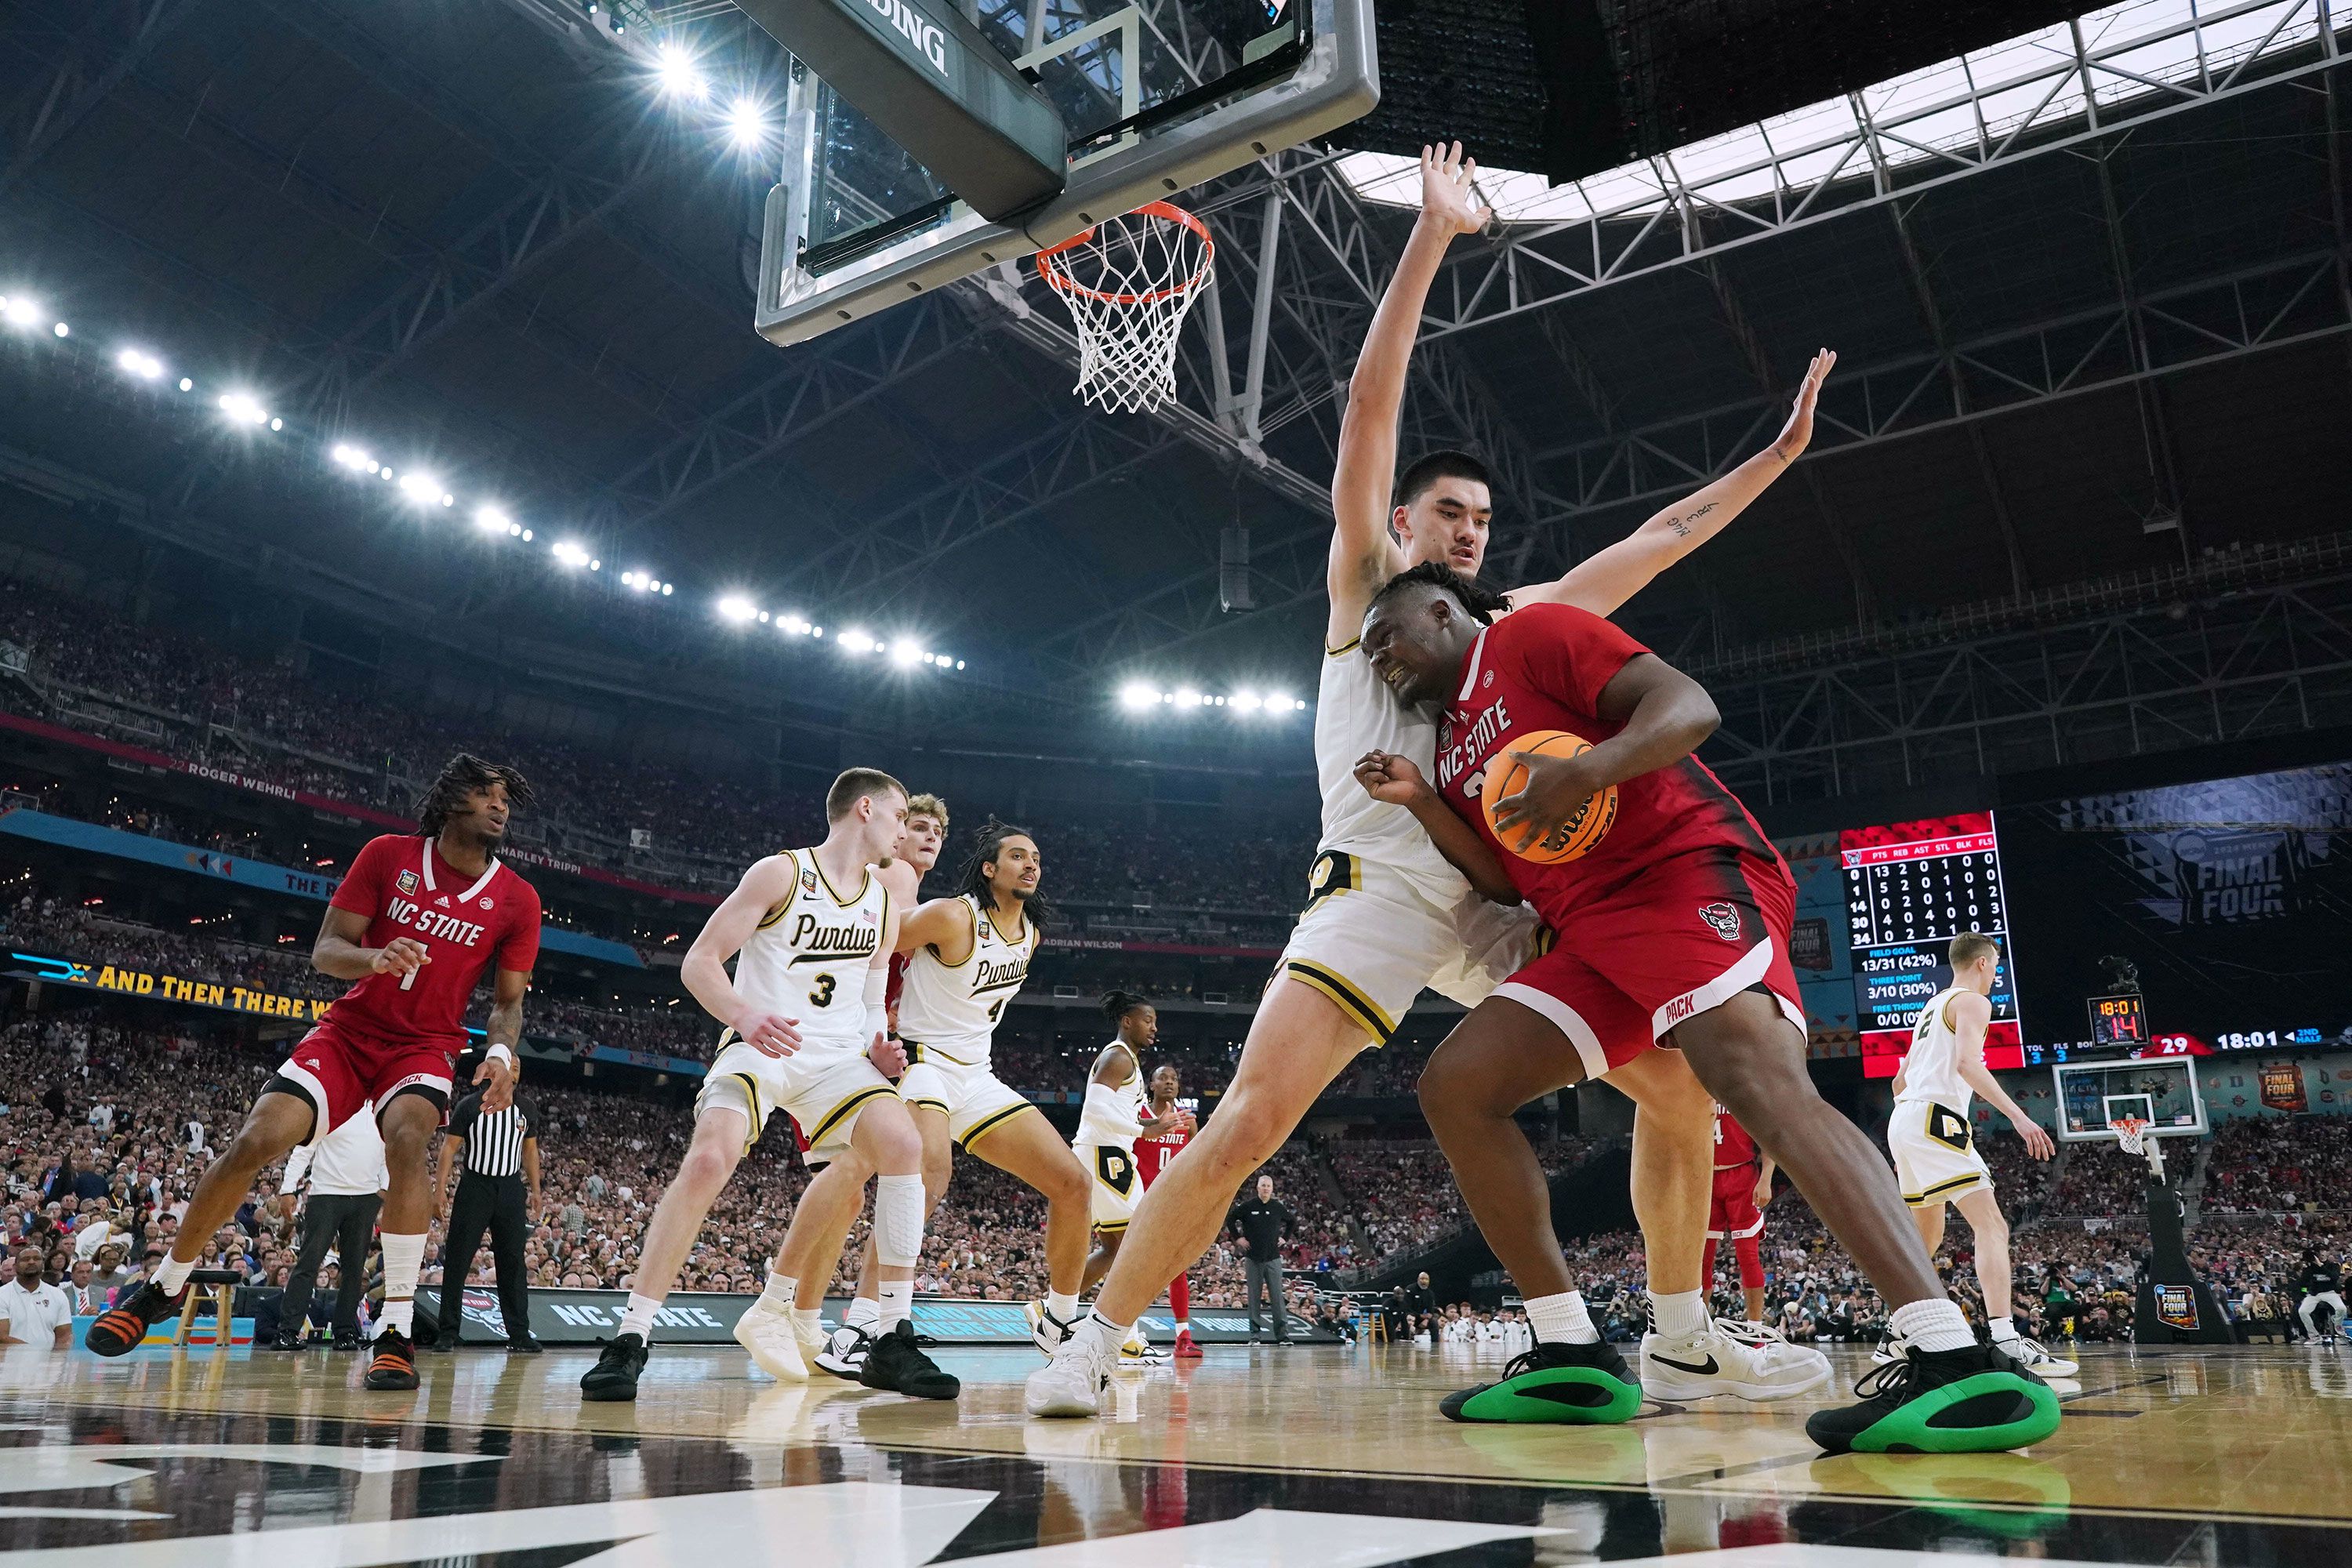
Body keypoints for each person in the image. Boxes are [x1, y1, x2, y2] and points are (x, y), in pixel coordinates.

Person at [1025, 143, 1827, 1422]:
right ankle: (1092, 1338)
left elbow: (1655, 541)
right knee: (1249, 1123)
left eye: (1483, 520)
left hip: (1502, 909)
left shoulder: (1513, 625)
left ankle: (1680, 1340)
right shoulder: (1364, 598)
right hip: (1379, 893)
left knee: (1680, 1092)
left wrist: (1778, 459)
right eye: (1448, 511)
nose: (1469, 530)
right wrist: (1431, 241)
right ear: (1403, 527)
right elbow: (1366, 413)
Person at [1341, 565, 2062, 1454]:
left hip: (1685, 873)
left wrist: (1591, 769)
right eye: (1370, 653)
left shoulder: (1531, 638)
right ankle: (1571, 1346)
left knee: (1754, 1079)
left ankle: (1956, 1356)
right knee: (1458, 1085)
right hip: (1591, 930)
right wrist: (1421, 800)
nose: (1381, 661)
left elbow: (1687, 706)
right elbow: (1502, 877)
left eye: (1389, 639)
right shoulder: (1452, 749)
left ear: (1444, 612)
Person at [85, 754, 543, 1395]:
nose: (500, 806)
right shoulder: (388, 856)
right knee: (255, 1141)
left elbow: (508, 1002)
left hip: (424, 1045)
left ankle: (395, 1330)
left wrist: (499, 1054)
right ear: (449, 801)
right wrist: (375, 958)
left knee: (409, 1140)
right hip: (349, 1033)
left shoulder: (518, 899)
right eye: (485, 793)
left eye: (505, 798)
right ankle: (164, 1284)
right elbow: (327, 952)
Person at [578, 768, 955, 1403]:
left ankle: (890, 1334)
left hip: (837, 1059)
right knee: (708, 1160)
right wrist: (743, 1014)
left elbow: (867, 996)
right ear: (866, 811)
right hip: (763, 1044)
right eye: (898, 817)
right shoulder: (780, 873)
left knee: (905, 1149)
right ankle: (631, 1337)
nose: (902, 829)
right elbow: (699, 962)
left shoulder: (883, 902)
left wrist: (877, 1045)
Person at [733, 793, 946, 1381]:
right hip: (838, 1047)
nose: (925, 837)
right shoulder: (892, 878)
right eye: (914, 824)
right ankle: (805, 1312)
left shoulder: (893, 880)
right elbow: (889, 945)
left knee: (850, 1188)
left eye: (935, 830)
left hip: (854, 1043)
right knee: (859, 1173)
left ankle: (807, 1319)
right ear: (886, 828)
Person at [1875, 933, 2074, 1376]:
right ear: (1983, 963)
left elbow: (1898, 1083)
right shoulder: (1972, 1003)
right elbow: (1968, 1063)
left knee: (1924, 1240)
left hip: (1905, 1119)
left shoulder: (1930, 1006)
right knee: (1992, 1225)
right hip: (1935, 1120)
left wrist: (1910, 1140)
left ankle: (1895, 1334)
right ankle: (2006, 1340)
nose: (1996, 975)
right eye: (1996, 967)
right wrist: (2021, 1118)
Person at [1073, 993, 1195, 1360]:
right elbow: (1094, 1112)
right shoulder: (1117, 1057)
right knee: (1137, 1246)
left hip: (1110, 1154)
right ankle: (1115, 1328)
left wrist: (1150, 1126)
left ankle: (1057, 1310)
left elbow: (1115, 1116)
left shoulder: (1130, 1062)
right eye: (1147, 1020)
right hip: (1105, 1155)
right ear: (1127, 1021)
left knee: (1116, 1249)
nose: (1154, 1027)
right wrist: (1147, 1131)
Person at [433, 1055, 543, 1352]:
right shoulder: (470, 1105)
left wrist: (536, 1189)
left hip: (510, 1187)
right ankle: (447, 1331)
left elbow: (530, 1151)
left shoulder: (527, 1108)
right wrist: (440, 1189)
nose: (514, 1073)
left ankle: (519, 1333)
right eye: (511, 1066)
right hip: (475, 1185)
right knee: (458, 1259)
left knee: (513, 1262)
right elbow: (448, 1149)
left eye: (519, 1068)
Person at [270, 1102, 387, 1351]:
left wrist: (385, 1187)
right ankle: (288, 1330)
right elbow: (303, 1150)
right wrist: (288, 1188)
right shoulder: (330, 1106)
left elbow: (389, 1153)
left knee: (355, 1269)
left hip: (367, 1197)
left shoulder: (381, 1111)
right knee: (309, 1264)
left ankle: (345, 1331)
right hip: (326, 1195)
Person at [1132, 1063, 1200, 1358]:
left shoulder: (1187, 1121)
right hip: (1139, 1200)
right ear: (1151, 1085)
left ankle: (1183, 1337)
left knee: (1177, 1267)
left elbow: (1196, 1160)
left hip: (1173, 1201)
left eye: (1174, 1078)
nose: (1169, 1082)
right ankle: (1126, 1333)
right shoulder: (1139, 1117)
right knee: (1132, 1267)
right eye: (1163, 1078)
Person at [1704, 1107, 1777, 1331]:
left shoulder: (1736, 1085)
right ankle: (1699, 1328)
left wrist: (1766, 1179)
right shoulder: (1695, 1086)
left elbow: (1767, 1138)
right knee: (1702, 1260)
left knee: (1748, 1256)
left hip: (1742, 1175)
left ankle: (1755, 1328)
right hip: (1704, 1178)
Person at [1230, 1174, 1296, 1344]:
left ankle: (1283, 1335)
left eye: (1269, 1186)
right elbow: (1230, 1218)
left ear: (1272, 1189)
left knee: (1277, 1298)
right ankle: (1254, 1335)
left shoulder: (1277, 1207)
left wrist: (1285, 1238)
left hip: (1273, 1258)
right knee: (1253, 1297)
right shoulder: (1248, 1206)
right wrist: (1237, 1238)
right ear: (1257, 1187)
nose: (1266, 1188)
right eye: (1263, 1185)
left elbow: (1291, 1221)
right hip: (1253, 1258)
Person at [0, 1244, 73, 1348]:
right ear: (15, 1267)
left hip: (48, 1363)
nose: (31, 1262)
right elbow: (2, 1337)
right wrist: (36, 1354)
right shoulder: (2, 1295)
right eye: (26, 1259)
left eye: (37, 1259)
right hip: (10, 1363)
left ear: (43, 1265)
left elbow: (64, 1337)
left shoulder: (58, 1295)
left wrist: (55, 1362)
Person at [2297, 1249, 2346, 1343]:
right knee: (2303, 1311)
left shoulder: (2334, 1265)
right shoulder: (2310, 1268)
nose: (2321, 1256)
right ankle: (2314, 1335)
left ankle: (2338, 1325)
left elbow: (2335, 1277)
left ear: (2326, 1254)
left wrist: (2321, 1266)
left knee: (2342, 1309)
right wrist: (2303, 1295)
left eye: (2323, 1254)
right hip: (2313, 1294)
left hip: (2329, 1292)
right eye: (2319, 1255)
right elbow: (2303, 1284)